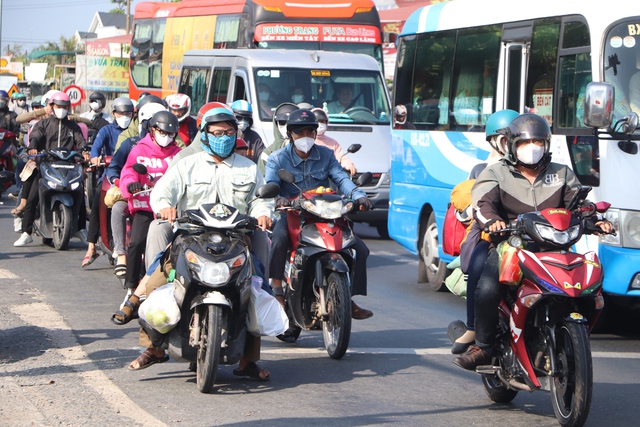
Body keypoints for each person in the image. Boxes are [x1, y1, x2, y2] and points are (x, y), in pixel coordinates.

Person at [453, 113, 613, 370]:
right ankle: (483, 346)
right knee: (488, 288)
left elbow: (580, 206)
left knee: (586, 286)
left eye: (538, 142)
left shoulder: (562, 174)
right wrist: (493, 222)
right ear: (512, 145)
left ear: (547, 144)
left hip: (555, 247)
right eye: (525, 143)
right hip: (512, 245)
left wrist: (596, 221)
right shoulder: (495, 173)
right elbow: (482, 205)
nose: (532, 148)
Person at [125, 108, 274, 379]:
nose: (224, 138)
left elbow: (260, 198)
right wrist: (165, 207)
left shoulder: (248, 168)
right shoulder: (186, 164)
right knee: (160, 279)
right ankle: (153, 347)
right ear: (205, 134)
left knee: (253, 287)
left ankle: (248, 360)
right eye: (217, 133)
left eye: (229, 133)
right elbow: (162, 192)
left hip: (235, 238)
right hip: (191, 236)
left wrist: (264, 212)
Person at [265, 108, 374, 333]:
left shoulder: (326, 155)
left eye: (309, 131)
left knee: (359, 249)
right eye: (299, 132)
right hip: (292, 213)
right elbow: (272, 185)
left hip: (325, 212)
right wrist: (280, 200)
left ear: (316, 133)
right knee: (279, 238)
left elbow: (341, 178)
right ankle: (277, 290)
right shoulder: (278, 158)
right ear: (290, 134)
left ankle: (347, 298)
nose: (305, 136)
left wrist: (359, 196)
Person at [448, 109, 518, 355]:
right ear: (494, 141)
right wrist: (472, 212)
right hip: (490, 239)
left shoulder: (531, 168)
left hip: (527, 238)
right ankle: (473, 328)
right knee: (479, 268)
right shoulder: (481, 170)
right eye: (507, 138)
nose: (513, 144)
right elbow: (464, 206)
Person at [14, 92, 89, 246]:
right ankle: (26, 232)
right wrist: (32, 147)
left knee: (79, 191)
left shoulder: (73, 126)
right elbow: (34, 137)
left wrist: (85, 151)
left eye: (64, 106)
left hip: (68, 166)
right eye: (58, 106)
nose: (61, 109)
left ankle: (81, 228)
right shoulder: (42, 124)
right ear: (52, 106)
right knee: (32, 197)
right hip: (46, 165)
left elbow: (81, 141)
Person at [118, 110, 181, 291]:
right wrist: (131, 184)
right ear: (152, 130)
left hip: (171, 210)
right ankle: (131, 287)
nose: (166, 137)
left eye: (170, 134)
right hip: (145, 204)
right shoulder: (139, 150)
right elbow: (129, 171)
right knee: (137, 242)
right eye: (162, 132)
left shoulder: (179, 154)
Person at [106, 100, 168, 279]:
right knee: (118, 208)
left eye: (164, 129)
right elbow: (119, 167)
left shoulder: (175, 148)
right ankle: (121, 254)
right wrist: (123, 183)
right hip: (136, 194)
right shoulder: (132, 144)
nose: (162, 133)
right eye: (155, 127)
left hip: (164, 201)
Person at [82, 97, 135, 267]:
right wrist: (96, 157)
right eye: (121, 113)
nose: (124, 116)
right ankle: (91, 247)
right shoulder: (106, 130)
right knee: (98, 202)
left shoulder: (136, 132)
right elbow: (96, 147)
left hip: (134, 176)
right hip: (111, 174)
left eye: (128, 113)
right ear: (113, 114)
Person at [311, 108, 357, 175]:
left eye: (322, 122)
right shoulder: (306, 140)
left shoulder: (333, 143)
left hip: (329, 179)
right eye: (317, 121)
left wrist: (349, 165)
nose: (319, 124)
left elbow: (341, 157)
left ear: (327, 123)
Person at [230, 100, 265, 165]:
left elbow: (263, 158)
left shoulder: (255, 137)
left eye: (246, 119)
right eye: (239, 118)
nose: (243, 122)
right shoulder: (228, 135)